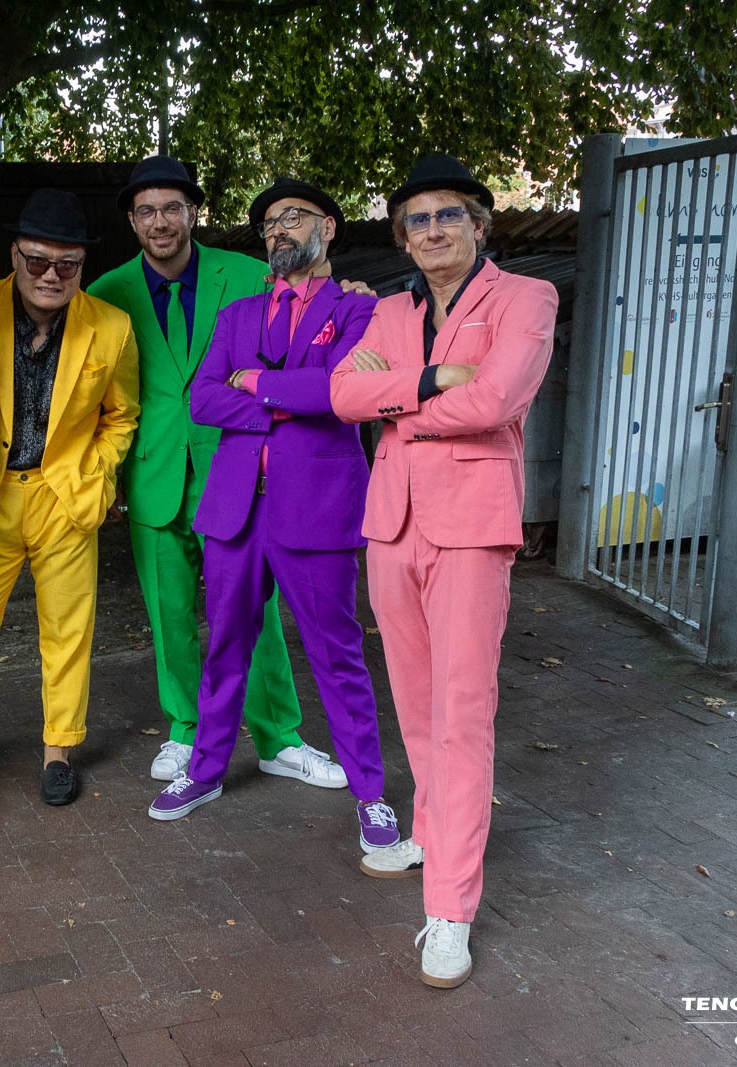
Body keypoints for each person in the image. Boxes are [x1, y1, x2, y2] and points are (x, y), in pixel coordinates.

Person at [330, 153, 558, 989]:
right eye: (417, 220)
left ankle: (451, 904)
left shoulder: (526, 298)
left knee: (462, 711)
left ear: (478, 224)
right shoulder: (389, 310)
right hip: (392, 525)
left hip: (470, 528)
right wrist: (431, 379)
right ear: (403, 235)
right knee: (417, 702)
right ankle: (430, 828)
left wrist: (400, 406)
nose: (432, 230)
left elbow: (497, 400)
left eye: (448, 214)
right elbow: (342, 396)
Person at [146, 179, 395, 856]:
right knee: (226, 645)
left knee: (337, 653)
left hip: (317, 508)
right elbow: (203, 401)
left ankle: (370, 794)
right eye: (269, 224)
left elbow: (341, 394)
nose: (278, 230)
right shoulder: (238, 315)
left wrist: (252, 382)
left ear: (329, 227)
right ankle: (205, 771)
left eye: (292, 217)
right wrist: (293, 399)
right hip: (234, 509)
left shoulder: (361, 310)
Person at [86, 156, 345, 790]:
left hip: (239, 471)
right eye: (147, 211)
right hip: (152, 476)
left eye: (173, 208)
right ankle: (185, 730)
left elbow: (312, 318)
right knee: (168, 614)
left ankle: (279, 738)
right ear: (132, 221)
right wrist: (106, 477)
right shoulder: (107, 293)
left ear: (194, 213)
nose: (160, 222)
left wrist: (354, 293)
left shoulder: (251, 274)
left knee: (254, 613)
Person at [0, 189, 140, 805]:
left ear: (83, 266)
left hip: (65, 495)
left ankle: (58, 749)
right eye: (38, 260)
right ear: (15, 255)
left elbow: (122, 415)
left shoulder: (111, 327)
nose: (51, 275)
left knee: (68, 630)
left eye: (67, 265)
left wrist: (99, 472)